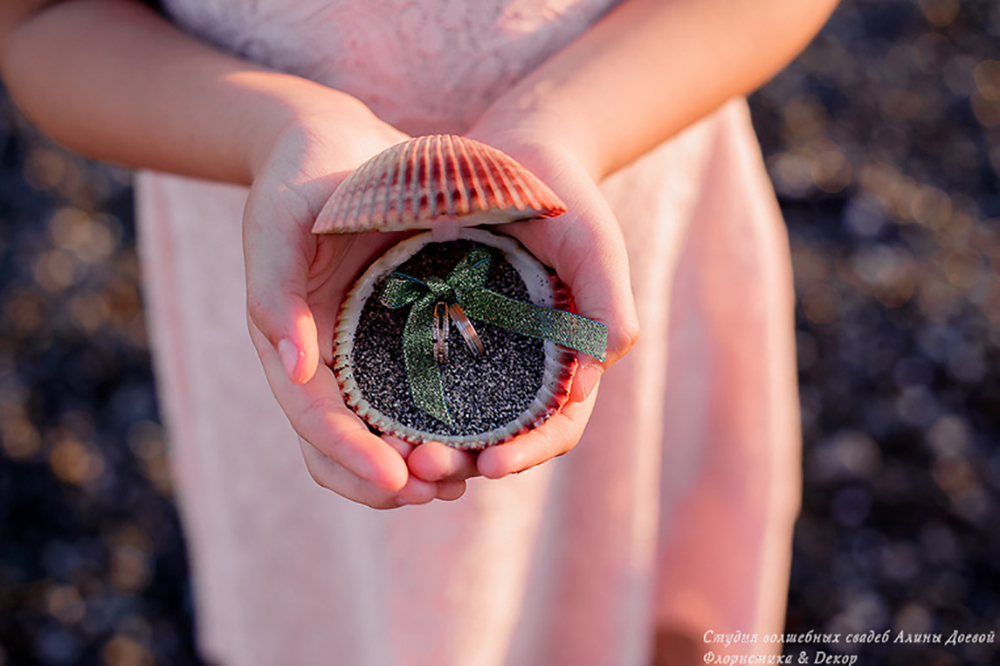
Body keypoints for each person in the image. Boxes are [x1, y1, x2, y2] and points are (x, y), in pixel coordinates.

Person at [0, 0, 839, 663]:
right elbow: (40, 19)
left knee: (628, 580)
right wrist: (274, 128)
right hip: (294, 250)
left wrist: (570, 123)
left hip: (611, 188)